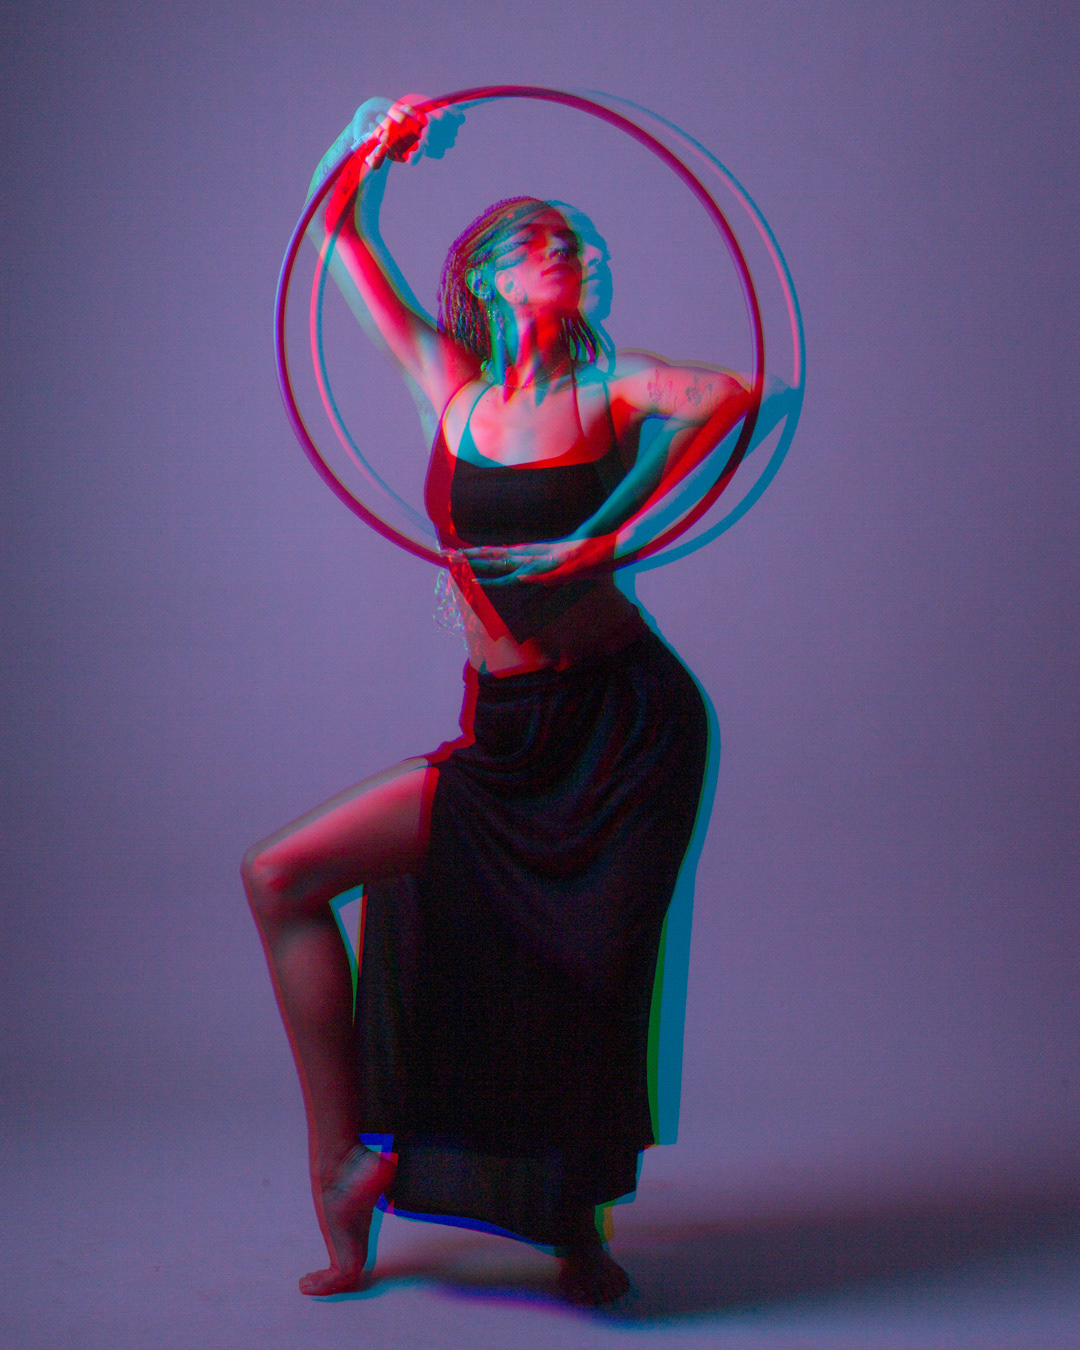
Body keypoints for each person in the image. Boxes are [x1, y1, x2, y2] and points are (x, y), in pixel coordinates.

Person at [244, 97, 751, 1304]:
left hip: (624, 730)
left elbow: (735, 394)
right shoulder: (455, 389)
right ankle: (342, 1170)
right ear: (490, 276)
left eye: (581, 241)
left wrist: (607, 533)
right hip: (509, 737)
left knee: (590, 976)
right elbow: (336, 236)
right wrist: (371, 142)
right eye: (544, 240)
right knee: (282, 877)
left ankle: (577, 1226)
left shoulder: (615, 388)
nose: (573, 251)